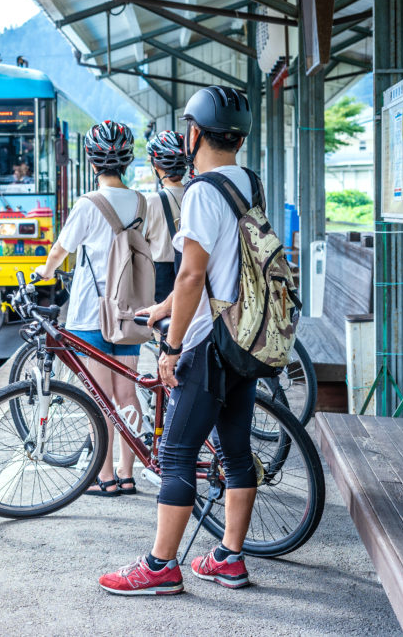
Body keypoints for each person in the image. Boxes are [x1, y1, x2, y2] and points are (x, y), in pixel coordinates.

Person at [98, 86, 259, 594]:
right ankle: (229, 557)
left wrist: (171, 347)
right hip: (243, 338)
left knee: (176, 453)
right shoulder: (248, 182)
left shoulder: (202, 192)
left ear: (194, 134)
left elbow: (192, 277)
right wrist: (164, 308)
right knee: (234, 450)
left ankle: (160, 567)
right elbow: (225, 267)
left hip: (209, 343)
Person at [34, 121, 151, 497]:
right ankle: (128, 471)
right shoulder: (140, 202)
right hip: (128, 312)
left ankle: (103, 477)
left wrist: (43, 273)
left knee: (97, 398)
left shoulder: (88, 204)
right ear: (128, 161)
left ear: (92, 160)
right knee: (127, 394)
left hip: (89, 313)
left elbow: (60, 251)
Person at [145, 131, 187, 303]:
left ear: (157, 166)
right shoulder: (196, 194)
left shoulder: (152, 201)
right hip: (191, 272)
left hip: (160, 280)